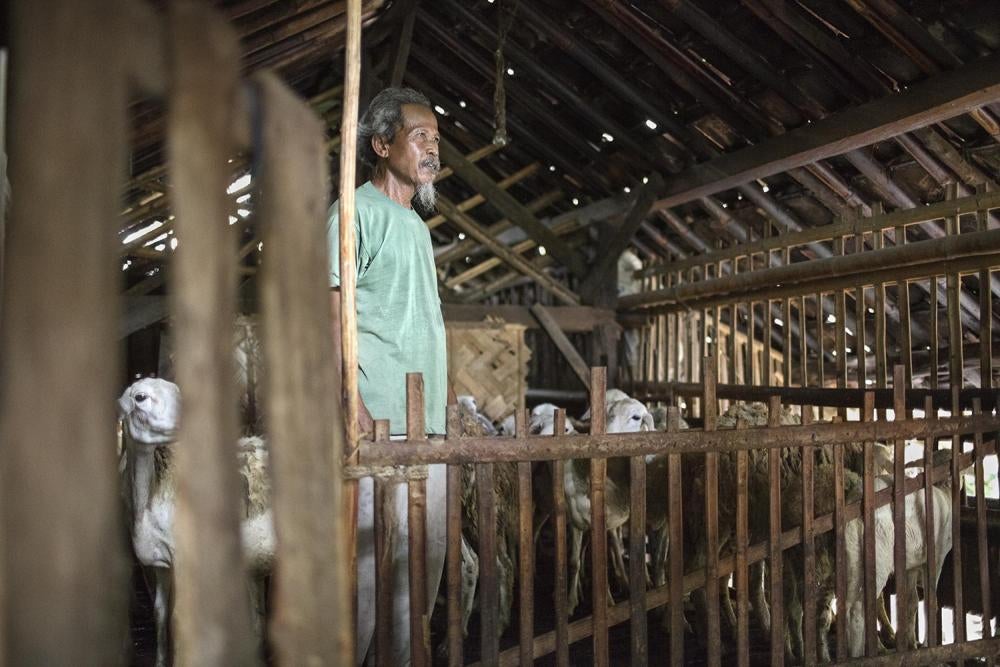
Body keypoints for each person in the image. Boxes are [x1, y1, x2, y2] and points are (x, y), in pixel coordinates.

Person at [327, 87, 448, 666]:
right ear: (381, 144)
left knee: (418, 582)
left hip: (428, 426)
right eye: (419, 135)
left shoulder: (418, 226)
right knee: (369, 583)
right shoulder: (353, 215)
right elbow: (330, 312)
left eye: (436, 138)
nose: (432, 147)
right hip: (379, 424)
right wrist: (350, 401)